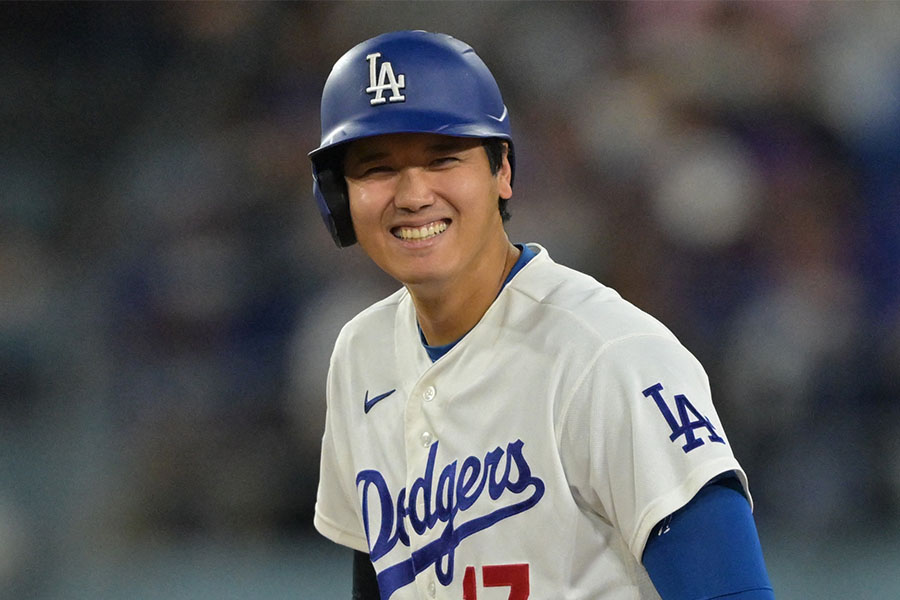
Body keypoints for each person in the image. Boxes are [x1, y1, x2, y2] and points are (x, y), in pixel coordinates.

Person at [310, 30, 774, 600]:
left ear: (502, 170)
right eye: (377, 168)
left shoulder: (608, 354)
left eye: (443, 159)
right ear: (338, 198)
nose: (412, 194)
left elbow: (731, 592)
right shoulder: (360, 355)